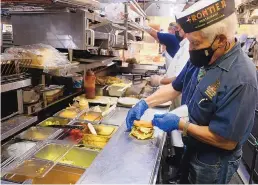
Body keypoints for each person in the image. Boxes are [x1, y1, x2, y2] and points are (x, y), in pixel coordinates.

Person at [126, 0, 258, 184]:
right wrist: (145, 102)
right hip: (193, 146)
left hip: (213, 161)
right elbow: (175, 86)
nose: (190, 49)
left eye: (195, 43)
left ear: (220, 41)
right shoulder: (203, 57)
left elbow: (227, 141)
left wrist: (181, 125)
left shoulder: (242, 79)